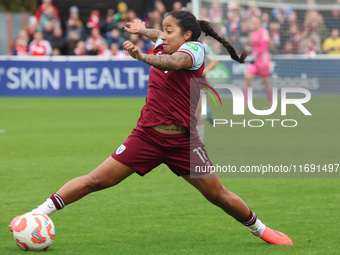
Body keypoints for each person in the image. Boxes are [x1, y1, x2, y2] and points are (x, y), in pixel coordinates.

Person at [10, 11, 292, 246]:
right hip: (146, 137)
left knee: (218, 195)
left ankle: (262, 230)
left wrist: (143, 56)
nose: (164, 35)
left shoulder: (194, 50)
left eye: (170, 31)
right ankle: (34, 214)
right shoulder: (165, 41)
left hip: (184, 143)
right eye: (164, 31)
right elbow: (159, 36)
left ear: (187, 36)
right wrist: (144, 30)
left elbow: (173, 62)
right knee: (96, 180)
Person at [243, 17, 273, 108]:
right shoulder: (252, 34)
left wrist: (256, 55)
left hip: (263, 61)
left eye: (255, 22)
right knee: (247, 79)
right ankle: (245, 103)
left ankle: (270, 102)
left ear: (259, 23)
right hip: (254, 61)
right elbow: (253, 46)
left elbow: (264, 45)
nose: (254, 24)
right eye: (253, 23)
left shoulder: (264, 32)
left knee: (266, 82)